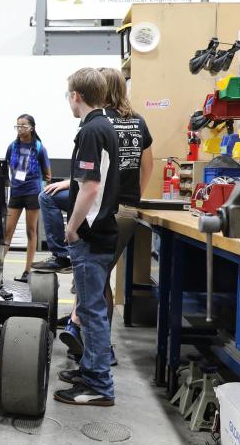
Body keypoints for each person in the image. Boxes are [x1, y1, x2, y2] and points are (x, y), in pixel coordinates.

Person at [58, 67, 155, 364]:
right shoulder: (138, 121)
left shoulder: (99, 124)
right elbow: (147, 165)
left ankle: (96, 348)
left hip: (105, 207)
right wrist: (131, 198)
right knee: (99, 279)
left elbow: (92, 179)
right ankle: (90, 340)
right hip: (125, 207)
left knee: (95, 280)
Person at [52, 68, 119, 407]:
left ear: (75, 95)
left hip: (91, 235)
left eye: (68, 94)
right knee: (92, 309)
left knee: (91, 312)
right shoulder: (103, 126)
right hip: (102, 231)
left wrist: (72, 226)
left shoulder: (92, 130)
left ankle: (98, 386)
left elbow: (90, 186)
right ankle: (91, 370)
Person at [3, 114, 51, 283]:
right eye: (17, 126)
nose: (20, 129)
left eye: (23, 126)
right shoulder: (12, 147)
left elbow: (48, 174)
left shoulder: (39, 147)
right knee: (7, 231)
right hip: (16, 192)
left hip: (32, 193)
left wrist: (38, 186)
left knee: (31, 231)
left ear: (31, 128)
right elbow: (6, 167)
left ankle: (27, 271)